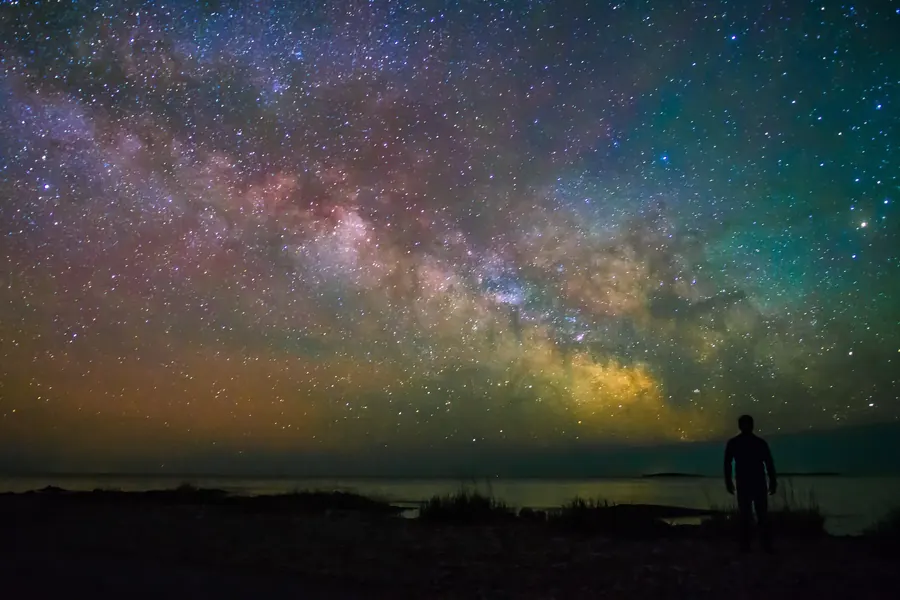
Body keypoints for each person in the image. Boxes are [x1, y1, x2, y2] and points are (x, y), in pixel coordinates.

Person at [723, 414, 777, 552]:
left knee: (759, 514)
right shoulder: (744, 443)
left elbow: (769, 463)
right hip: (747, 482)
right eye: (745, 424)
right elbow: (727, 464)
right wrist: (728, 481)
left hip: (754, 482)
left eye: (747, 424)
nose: (746, 427)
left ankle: (760, 545)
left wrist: (773, 481)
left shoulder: (752, 443)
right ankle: (750, 545)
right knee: (748, 515)